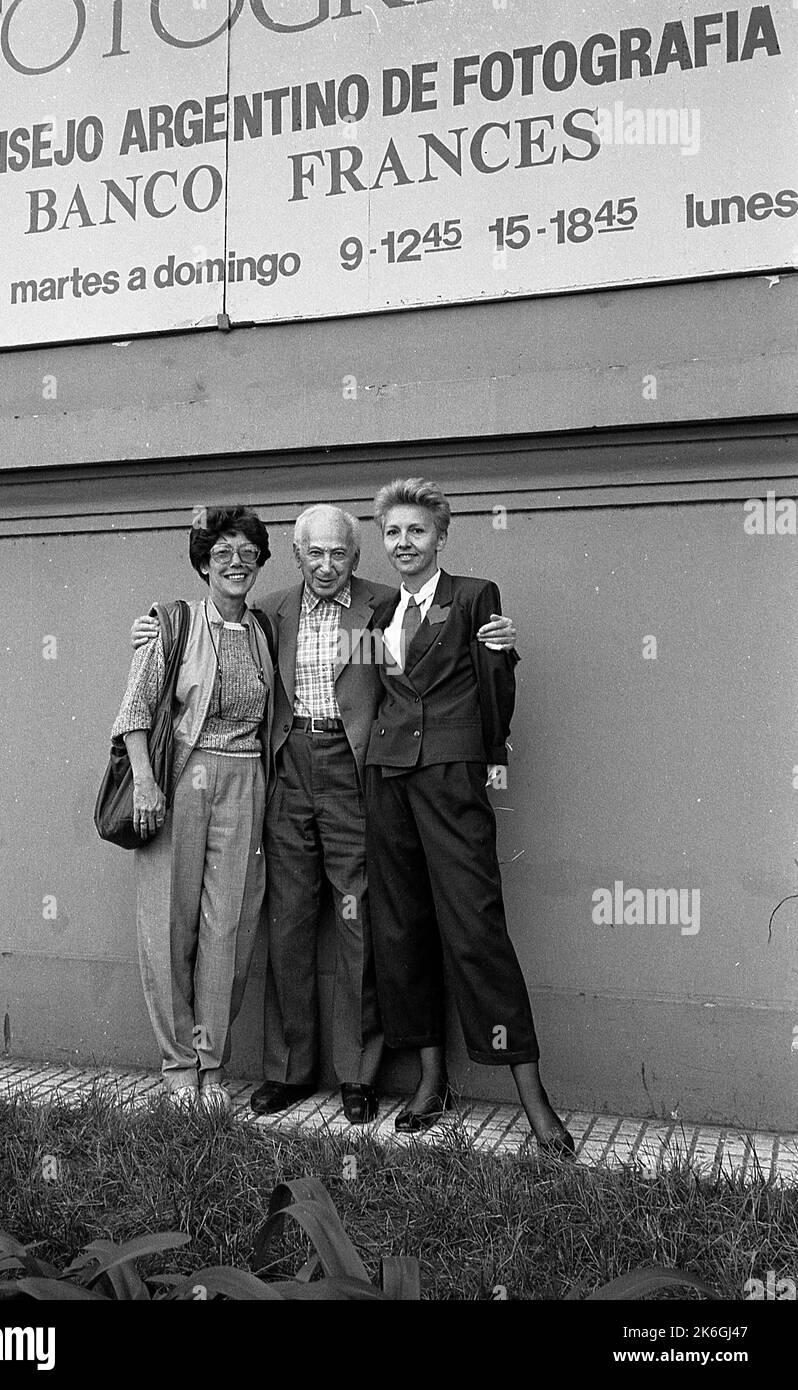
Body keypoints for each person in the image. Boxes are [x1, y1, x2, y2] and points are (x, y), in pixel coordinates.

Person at [130, 503, 516, 1123]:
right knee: (287, 917)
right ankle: (287, 1070)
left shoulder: (384, 606)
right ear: (297, 556)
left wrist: (494, 639)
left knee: (357, 915)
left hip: (356, 769)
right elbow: (206, 629)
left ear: (357, 559)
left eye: (340, 553)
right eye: (316, 553)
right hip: (286, 767)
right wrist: (149, 630)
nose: (328, 564)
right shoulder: (271, 612)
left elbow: (439, 644)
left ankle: (357, 1074)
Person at [364, 478, 573, 1152]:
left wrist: (500, 657)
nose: (404, 543)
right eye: (393, 532)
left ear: (441, 537)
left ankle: (534, 1102)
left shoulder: (476, 596)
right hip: (387, 780)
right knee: (401, 930)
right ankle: (431, 1082)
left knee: (475, 929)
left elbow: (495, 694)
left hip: (452, 780)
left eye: (416, 531)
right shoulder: (375, 616)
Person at [112, 506, 275, 1114]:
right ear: (203, 563)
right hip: (182, 780)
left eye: (247, 553)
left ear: (259, 562)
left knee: (228, 925)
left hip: (245, 779)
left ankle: (212, 1062)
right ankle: (179, 1067)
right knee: (169, 924)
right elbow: (134, 711)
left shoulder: (262, 629)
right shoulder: (171, 624)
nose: (236, 563)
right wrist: (148, 785)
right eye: (222, 553)